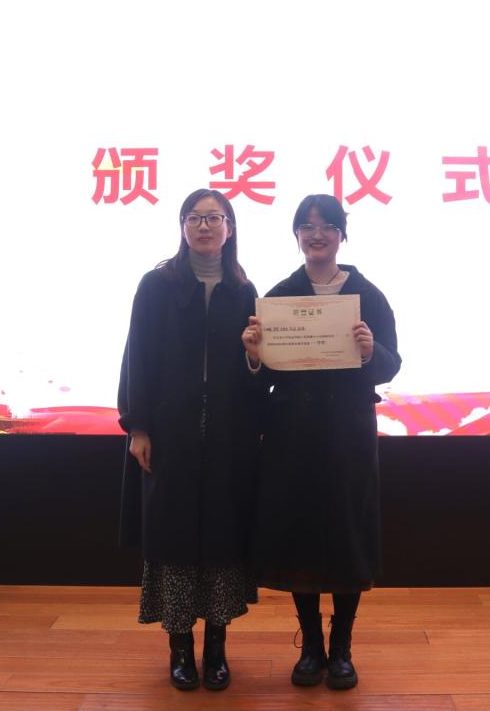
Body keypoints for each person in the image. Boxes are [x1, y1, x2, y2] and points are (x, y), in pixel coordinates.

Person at [242, 193, 401, 690]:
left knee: (348, 534)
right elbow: (262, 378)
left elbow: (392, 364)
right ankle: (311, 645)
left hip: (349, 434)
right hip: (292, 436)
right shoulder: (279, 296)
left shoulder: (368, 295)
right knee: (301, 535)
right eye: (307, 226)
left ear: (341, 234)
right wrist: (254, 356)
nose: (317, 235)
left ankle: (342, 648)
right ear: (296, 235)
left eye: (327, 226)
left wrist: (372, 351)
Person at [117, 188, 261, 691]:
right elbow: (137, 358)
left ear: (229, 227)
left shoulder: (244, 290)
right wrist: (138, 427)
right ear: (182, 226)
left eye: (214, 218)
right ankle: (180, 649)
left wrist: (254, 358)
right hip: (169, 429)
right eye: (195, 218)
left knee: (222, 536)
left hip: (228, 432)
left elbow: (256, 372)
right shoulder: (156, 285)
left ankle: (216, 648)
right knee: (174, 536)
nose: (205, 226)